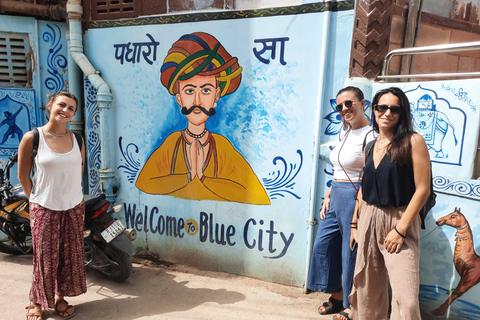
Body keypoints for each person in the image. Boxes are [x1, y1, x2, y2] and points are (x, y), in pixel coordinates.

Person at [136, 32, 270, 205]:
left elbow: (258, 196)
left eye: (206, 91)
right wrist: (188, 177)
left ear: (216, 96)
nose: (197, 101)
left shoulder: (222, 147)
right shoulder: (172, 143)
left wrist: (203, 179)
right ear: (179, 98)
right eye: (189, 91)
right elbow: (143, 184)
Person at [349, 87, 431, 320]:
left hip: (399, 219)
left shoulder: (413, 141)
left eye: (395, 109)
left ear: (402, 113)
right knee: (368, 290)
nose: (387, 113)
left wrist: (401, 229)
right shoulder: (370, 145)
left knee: (406, 299)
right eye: (382, 107)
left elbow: (422, 189)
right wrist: (355, 225)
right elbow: (365, 189)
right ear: (373, 110)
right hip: (368, 217)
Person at [18, 90, 86, 320]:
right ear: (50, 105)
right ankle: (36, 301)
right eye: (62, 105)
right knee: (44, 258)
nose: (65, 111)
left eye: (71, 109)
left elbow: (79, 169)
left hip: (74, 206)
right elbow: (23, 176)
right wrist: (36, 201)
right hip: (44, 206)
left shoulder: (77, 139)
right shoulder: (33, 137)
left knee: (68, 257)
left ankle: (59, 297)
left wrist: (72, 195)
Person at [307, 86, 373, 319]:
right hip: (336, 193)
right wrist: (328, 195)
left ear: (362, 103)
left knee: (350, 252)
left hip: (355, 196)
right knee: (322, 247)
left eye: (349, 104)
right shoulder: (343, 133)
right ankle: (337, 293)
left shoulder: (370, 135)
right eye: (339, 106)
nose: (344, 109)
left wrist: (357, 209)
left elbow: (369, 175)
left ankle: (351, 304)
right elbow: (337, 168)